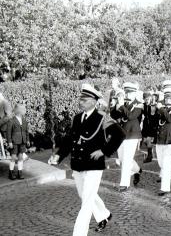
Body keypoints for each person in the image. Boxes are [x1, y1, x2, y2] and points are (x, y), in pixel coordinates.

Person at [48, 84, 125, 235]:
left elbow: (120, 135)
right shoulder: (77, 118)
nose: (80, 101)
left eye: (84, 99)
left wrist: (104, 151)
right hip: (78, 164)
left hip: (94, 166)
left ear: (93, 101)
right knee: (84, 195)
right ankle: (104, 215)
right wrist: (59, 155)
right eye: (80, 99)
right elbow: (70, 139)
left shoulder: (102, 118)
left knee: (86, 202)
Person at [110, 82, 144, 192]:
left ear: (135, 93)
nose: (128, 94)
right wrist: (116, 106)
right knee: (121, 159)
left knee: (126, 159)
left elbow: (131, 116)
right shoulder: (122, 103)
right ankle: (137, 170)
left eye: (130, 92)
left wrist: (122, 106)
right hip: (121, 134)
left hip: (133, 134)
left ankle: (124, 184)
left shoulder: (139, 104)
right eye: (127, 92)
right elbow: (113, 115)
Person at [7, 104, 30, 180]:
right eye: (23, 110)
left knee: (20, 157)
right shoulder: (12, 120)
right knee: (13, 157)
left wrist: (27, 140)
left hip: (22, 141)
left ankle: (20, 172)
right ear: (18, 111)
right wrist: (9, 142)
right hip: (14, 141)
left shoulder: (24, 120)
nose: (24, 111)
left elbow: (26, 131)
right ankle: (11, 172)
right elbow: (8, 132)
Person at [0, 92, 12, 159]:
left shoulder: (5, 103)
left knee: (11, 141)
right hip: (3, 127)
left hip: (7, 126)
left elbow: (9, 116)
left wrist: (0, 122)